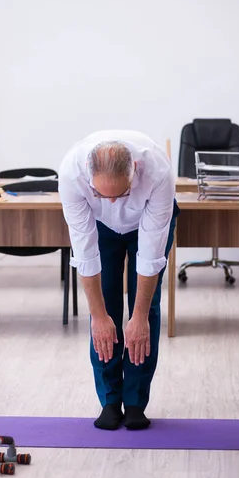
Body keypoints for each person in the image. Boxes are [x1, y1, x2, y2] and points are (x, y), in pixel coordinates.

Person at [58, 130, 179, 431]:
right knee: (105, 311)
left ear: (134, 172)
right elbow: (84, 254)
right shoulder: (72, 175)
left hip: (145, 225)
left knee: (144, 311)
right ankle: (110, 402)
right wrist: (98, 316)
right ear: (89, 176)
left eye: (120, 194)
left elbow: (151, 256)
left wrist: (138, 318)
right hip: (99, 227)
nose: (112, 201)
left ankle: (135, 403)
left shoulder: (158, 173)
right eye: (103, 194)